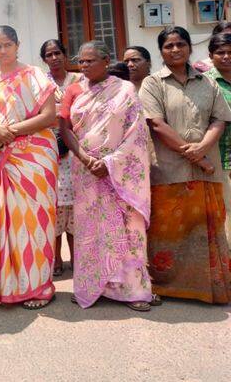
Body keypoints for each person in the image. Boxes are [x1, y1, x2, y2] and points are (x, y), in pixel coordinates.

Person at [139, 26, 231, 304]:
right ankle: (167, 287)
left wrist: (203, 148)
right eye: (169, 46)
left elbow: (219, 119)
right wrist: (194, 155)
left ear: (190, 47)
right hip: (169, 170)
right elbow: (156, 123)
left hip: (208, 170)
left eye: (181, 44)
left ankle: (210, 287)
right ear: (161, 51)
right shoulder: (152, 83)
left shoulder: (208, 82)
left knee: (208, 228)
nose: (175, 49)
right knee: (168, 230)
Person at [59, 42, 153, 311]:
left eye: (90, 61)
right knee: (91, 230)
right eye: (81, 61)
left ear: (106, 60)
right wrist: (85, 159)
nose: (84, 65)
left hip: (120, 172)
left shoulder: (125, 90)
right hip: (86, 172)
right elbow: (65, 129)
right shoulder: (75, 89)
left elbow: (136, 133)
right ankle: (93, 285)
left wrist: (110, 163)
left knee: (127, 229)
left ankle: (132, 289)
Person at [0, 26, 58, 309]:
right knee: (4, 220)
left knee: (34, 221)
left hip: (34, 159)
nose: (2, 50)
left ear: (18, 45)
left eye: (7, 44)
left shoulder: (34, 75)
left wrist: (10, 131)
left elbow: (49, 117)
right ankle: (10, 285)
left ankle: (40, 286)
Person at [40, 39, 83, 278]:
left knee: (74, 206)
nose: (54, 57)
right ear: (44, 59)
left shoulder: (78, 81)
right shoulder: (40, 83)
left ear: (65, 55)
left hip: (76, 147)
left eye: (58, 53)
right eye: (49, 54)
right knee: (54, 205)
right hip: (49, 148)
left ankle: (76, 257)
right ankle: (56, 258)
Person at [206, 32, 231, 242]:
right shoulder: (205, 83)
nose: (226, 56)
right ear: (211, 55)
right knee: (226, 211)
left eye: (230, 52)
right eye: (220, 52)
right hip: (220, 157)